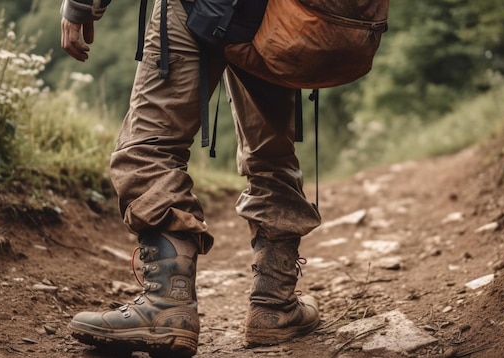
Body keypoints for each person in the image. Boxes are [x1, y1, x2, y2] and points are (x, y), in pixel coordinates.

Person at [60, 0, 322, 356]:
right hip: (279, 14)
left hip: (197, 5)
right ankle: (273, 306)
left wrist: (79, 5)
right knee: (271, 152)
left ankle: (168, 302)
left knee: (152, 142)